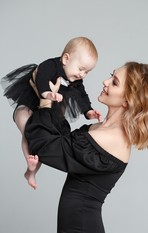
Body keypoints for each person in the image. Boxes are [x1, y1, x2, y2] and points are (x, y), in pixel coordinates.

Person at [25, 61, 148, 233]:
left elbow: (45, 146)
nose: (105, 82)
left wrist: (45, 102)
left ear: (127, 100)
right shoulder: (100, 129)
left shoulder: (110, 139)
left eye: (114, 82)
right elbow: (62, 140)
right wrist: (49, 95)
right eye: (111, 75)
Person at [1, 36, 101, 189]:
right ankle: (30, 163)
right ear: (66, 59)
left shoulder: (76, 80)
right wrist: (47, 94)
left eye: (87, 72)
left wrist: (88, 111)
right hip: (30, 105)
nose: (82, 75)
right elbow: (40, 77)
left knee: (43, 139)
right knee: (28, 128)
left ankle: (31, 171)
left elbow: (82, 95)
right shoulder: (50, 65)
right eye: (81, 69)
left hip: (48, 113)